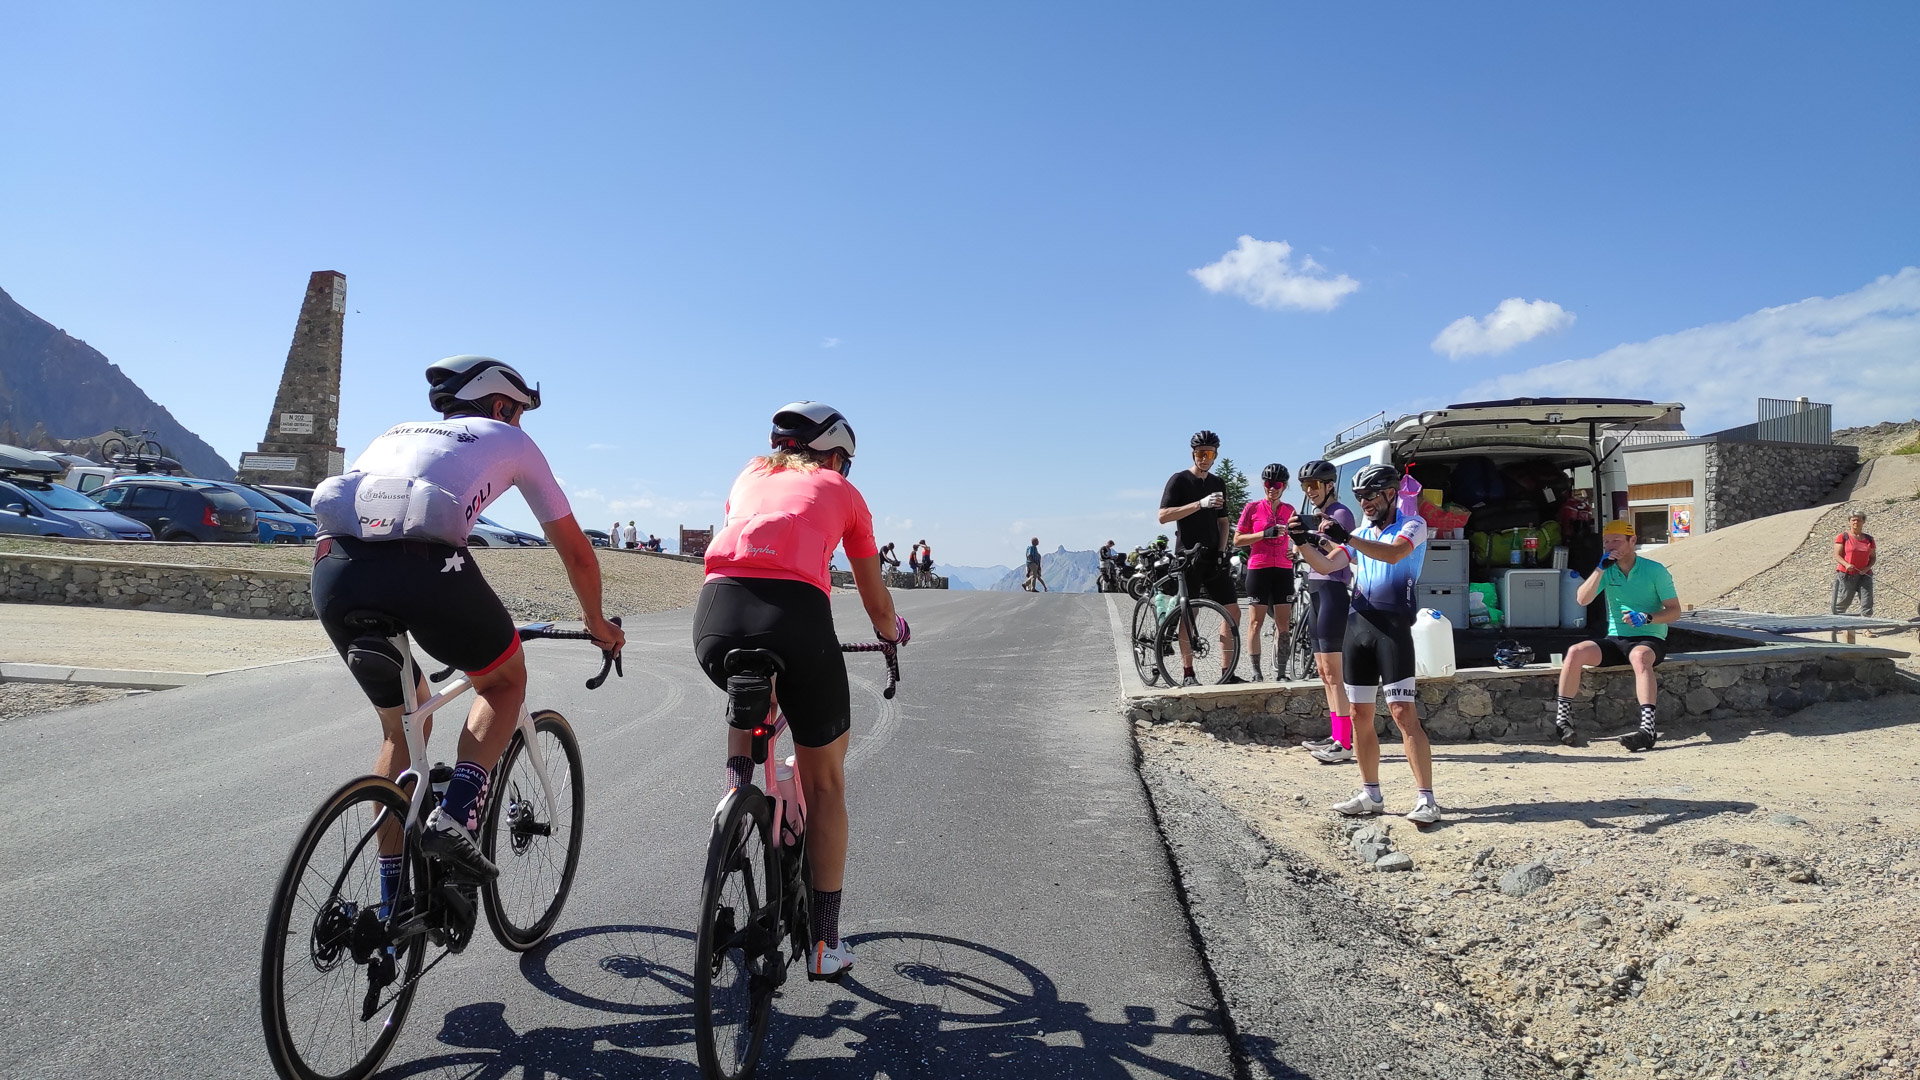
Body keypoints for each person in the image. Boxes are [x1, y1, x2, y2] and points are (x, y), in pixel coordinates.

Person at [309, 355, 625, 901]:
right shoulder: (509, 438)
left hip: (334, 571)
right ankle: (456, 819)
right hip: (425, 568)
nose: (520, 424)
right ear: (501, 404)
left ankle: (391, 904)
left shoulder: (396, 431)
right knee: (502, 681)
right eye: (520, 412)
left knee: (403, 724)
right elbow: (576, 552)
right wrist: (597, 623)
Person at [694, 401, 906, 980]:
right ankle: (826, 943)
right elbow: (873, 593)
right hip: (797, 623)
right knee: (826, 782)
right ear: (836, 455)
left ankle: (735, 793)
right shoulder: (840, 489)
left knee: (746, 677)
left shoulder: (748, 474)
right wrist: (892, 633)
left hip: (715, 617)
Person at [1290, 463, 1437, 822]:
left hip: (1392, 627)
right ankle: (1371, 793)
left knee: (1403, 714)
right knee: (1359, 714)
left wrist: (1347, 537)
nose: (1365, 503)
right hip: (1358, 625)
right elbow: (1327, 566)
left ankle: (1427, 798)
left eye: (1370, 496)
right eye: (1359, 497)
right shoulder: (1360, 531)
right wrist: (1300, 542)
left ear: (1390, 494)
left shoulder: (1413, 525)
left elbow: (1393, 554)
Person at [1554, 518, 1682, 752]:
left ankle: (1647, 729)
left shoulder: (1655, 570)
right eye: (1606, 542)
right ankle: (1562, 721)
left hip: (1649, 638)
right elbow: (1582, 599)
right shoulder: (1606, 569)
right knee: (1575, 652)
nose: (1611, 545)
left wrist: (1647, 617)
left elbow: (1675, 611)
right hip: (1616, 639)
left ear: (1632, 540)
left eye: (1616, 540)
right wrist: (1600, 569)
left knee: (1640, 657)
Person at [1158, 430, 1243, 685]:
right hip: (1188, 557)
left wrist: (1222, 550)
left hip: (1213, 558)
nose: (1204, 458)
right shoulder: (1180, 480)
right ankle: (1188, 673)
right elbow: (1163, 516)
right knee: (1190, 614)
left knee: (1233, 611)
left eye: (1209, 454)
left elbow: (1224, 522)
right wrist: (1199, 504)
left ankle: (1226, 672)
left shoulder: (1218, 483)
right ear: (1192, 454)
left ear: (1216, 455)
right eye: (1200, 453)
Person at [1295, 460, 1359, 764]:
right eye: (1305, 486)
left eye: (1314, 485)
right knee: (1323, 671)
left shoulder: (1341, 513)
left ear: (1329, 485)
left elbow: (1337, 555)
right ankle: (1336, 735)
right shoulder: (1317, 513)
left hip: (1333, 590)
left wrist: (1311, 537)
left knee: (1334, 672)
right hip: (1317, 589)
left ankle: (1345, 742)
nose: (1309, 491)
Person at [1232, 464, 1295, 680]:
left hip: (1283, 569)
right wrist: (1263, 534)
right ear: (1263, 484)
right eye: (1268, 484)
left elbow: (1298, 537)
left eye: (1277, 484)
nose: (1272, 488)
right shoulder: (1252, 508)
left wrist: (1295, 552)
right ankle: (1256, 671)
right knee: (1256, 622)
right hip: (1259, 567)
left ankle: (1282, 672)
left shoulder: (1290, 510)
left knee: (1283, 623)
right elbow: (1237, 539)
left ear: (1284, 486)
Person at [1833, 510, 1876, 616]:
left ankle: (1866, 628)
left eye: (1859, 520)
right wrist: (1846, 564)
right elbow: (1837, 555)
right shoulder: (1843, 537)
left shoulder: (1869, 539)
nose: (1856, 522)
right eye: (1853, 520)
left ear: (1863, 522)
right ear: (1849, 522)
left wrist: (1867, 568)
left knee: (1867, 601)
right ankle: (1836, 624)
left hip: (1865, 574)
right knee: (1844, 600)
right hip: (1847, 574)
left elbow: (1873, 557)